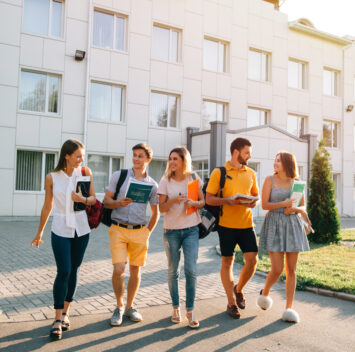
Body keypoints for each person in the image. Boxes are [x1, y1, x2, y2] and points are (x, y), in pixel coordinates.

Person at [31, 139, 96, 340]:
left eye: (82, 156)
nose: (81, 160)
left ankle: (66, 312)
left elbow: (93, 199)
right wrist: (39, 232)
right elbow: (47, 205)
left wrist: (82, 200)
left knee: (74, 270)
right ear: (66, 156)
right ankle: (57, 318)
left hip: (81, 229)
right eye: (78, 156)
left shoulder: (85, 173)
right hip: (60, 228)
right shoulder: (52, 177)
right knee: (64, 270)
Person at [103, 143, 159, 326]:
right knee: (119, 269)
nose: (136, 159)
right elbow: (106, 201)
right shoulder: (119, 176)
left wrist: (147, 232)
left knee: (135, 270)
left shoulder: (152, 185)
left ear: (147, 159)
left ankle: (129, 306)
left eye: (140, 156)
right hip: (118, 228)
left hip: (139, 231)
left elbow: (155, 212)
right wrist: (120, 203)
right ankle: (118, 307)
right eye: (134, 155)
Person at [206, 137, 259, 319]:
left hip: (246, 224)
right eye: (247, 152)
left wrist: (252, 203)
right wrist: (227, 201)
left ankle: (238, 289)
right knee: (227, 263)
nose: (249, 156)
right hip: (226, 226)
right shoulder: (219, 172)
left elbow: (255, 195)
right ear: (236, 152)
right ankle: (231, 303)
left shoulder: (251, 173)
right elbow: (209, 199)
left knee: (252, 261)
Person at [257, 152, 310, 323]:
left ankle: (289, 307)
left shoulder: (297, 183)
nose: (275, 163)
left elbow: (302, 206)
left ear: (287, 164)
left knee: (291, 270)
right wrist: (284, 204)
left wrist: (294, 209)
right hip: (274, 224)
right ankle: (265, 293)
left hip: (293, 225)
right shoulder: (269, 180)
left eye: (278, 161)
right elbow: (264, 205)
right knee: (277, 269)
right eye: (275, 160)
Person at [158, 147, 205, 328]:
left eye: (175, 159)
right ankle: (176, 307)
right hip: (171, 231)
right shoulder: (165, 181)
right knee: (173, 271)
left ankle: (190, 309)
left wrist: (194, 203)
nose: (171, 162)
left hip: (191, 229)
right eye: (170, 159)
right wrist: (173, 201)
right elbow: (161, 208)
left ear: (184, 160)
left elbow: (203, 201)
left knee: (191, 270)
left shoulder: (193, 178)